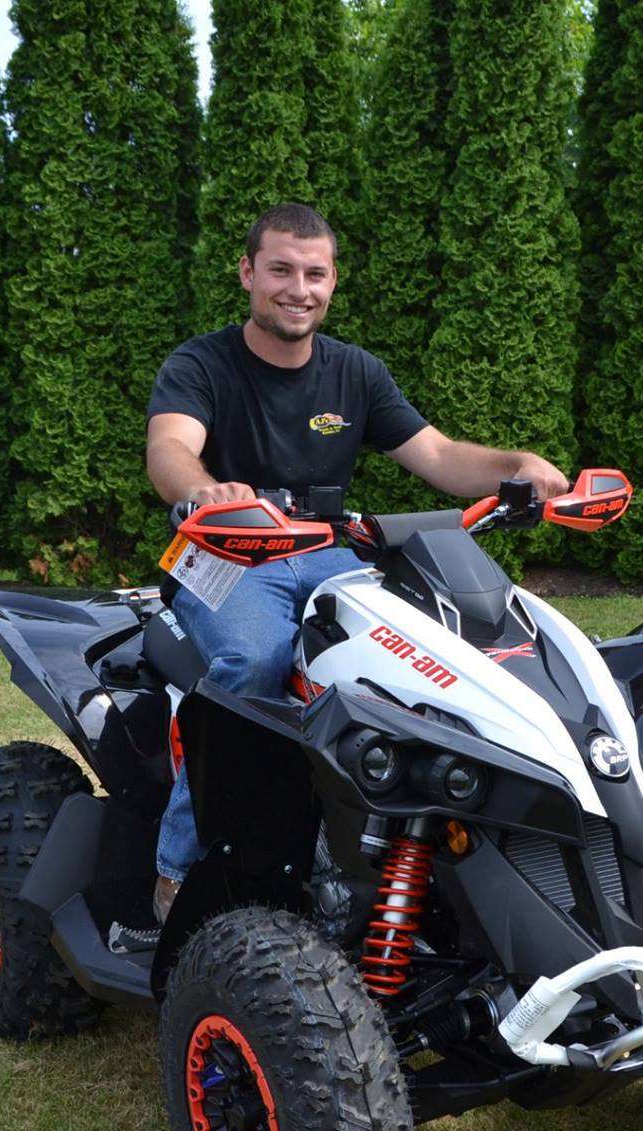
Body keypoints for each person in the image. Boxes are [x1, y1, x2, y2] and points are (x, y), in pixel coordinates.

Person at [143, 202, 568, 926]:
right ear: (248, 273)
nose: (297, 288)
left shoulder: (355, 373)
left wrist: (515, 467)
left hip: (327, 552)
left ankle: (410, 850)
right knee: (253, 663)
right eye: (280, 270)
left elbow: (436, 455)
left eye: (314, 273)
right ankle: (176, 870)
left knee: (439, 658)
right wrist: (203, 489)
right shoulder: (201, 363)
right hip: (223, 550)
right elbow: (169, 450)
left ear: (333, 281)